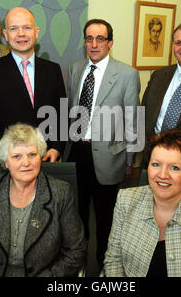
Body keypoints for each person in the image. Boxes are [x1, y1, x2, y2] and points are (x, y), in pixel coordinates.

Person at [0, 123, 86, 277]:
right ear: (6, 163)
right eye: (17, 156)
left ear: (40, 156)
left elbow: (76, 250)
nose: (26, 163)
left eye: (32, 154)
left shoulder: (61, 193)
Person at [64, 18, 141, 268]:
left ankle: (105, 265)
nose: (94, 44)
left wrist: (130, 160)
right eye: (89, 38)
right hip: (76, 152)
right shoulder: (75, 69)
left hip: (109, 157)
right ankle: (79, 261)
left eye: (100, 38)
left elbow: (133, 119)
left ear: (110, 42)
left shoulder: (127, 74)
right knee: (76, 213)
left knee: (106, 216)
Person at [104, 128, 181, 277]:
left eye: (174, 168)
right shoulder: (125, 200)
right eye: (156, 164)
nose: (163, 175)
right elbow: (114, 260)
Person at [0, 7, 66, 161]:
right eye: (14, 28)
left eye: (27, 28)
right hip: (7, 161)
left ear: (36, 32)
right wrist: (7, 152)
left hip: (46, 158)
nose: (21, 34)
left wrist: (56, 147)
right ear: (6, 35)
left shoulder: (53, 70)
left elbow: (62, 114)